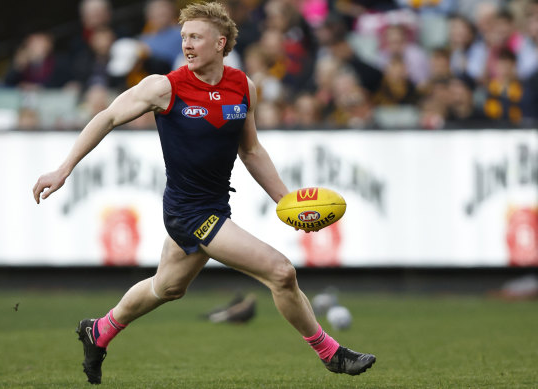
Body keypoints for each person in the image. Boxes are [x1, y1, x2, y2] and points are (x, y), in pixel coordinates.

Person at [32, 2, 376, 385]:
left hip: (214, 206)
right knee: (281, 272)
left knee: (167, 287)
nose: (187, 44)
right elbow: (107, 116)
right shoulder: (164, 87)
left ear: (220, 42)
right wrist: (64, 169)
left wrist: (286, 202)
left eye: (195, 37)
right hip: (187, 212)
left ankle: (99, 331)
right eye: (184, 38)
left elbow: (251, 151)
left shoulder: (242, 86)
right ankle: (330, 353)